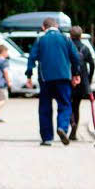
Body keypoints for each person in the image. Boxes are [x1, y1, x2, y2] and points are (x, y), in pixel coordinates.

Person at [25, 16, 80, 146]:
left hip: (46, 79)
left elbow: (31, 58)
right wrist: (76, 74)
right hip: (63, 77)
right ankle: (62, 128)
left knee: (45, 107)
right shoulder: (66, 39)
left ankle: (47, 138)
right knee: (65, 104)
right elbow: (75, 57)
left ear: (44, 27)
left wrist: (29, 75)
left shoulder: (41, 40)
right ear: (57, 26)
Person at [69, 26, 95, 140]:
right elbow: (92, 64)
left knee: (67, 105)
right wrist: (89, 78)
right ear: (81, 36)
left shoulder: (68, 47)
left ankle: (72, 123)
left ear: (70, 35)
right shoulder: (85, 48)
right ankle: (74, 133)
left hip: (69, 80)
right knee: (76, 106)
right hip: (81, 81)